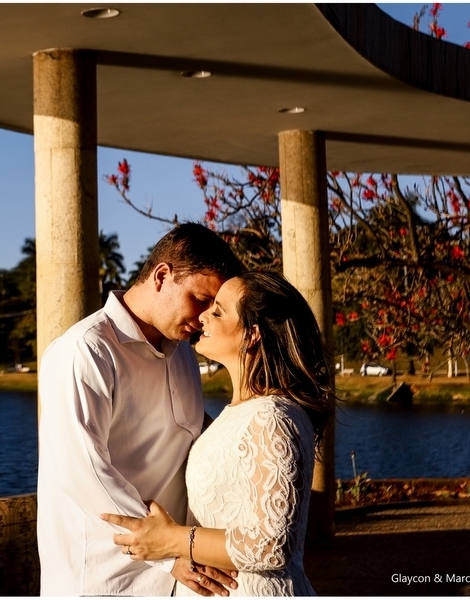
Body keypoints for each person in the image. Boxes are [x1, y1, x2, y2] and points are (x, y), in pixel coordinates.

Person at [37, 223, 243, 596]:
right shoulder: (85, 351)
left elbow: (195, 436)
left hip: (177, 571)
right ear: (162, 275)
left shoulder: (182, 353)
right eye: (199, 299)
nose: (202, 320)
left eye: (213, 309)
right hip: (104, 578)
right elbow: (84, 470)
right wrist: (167, 552)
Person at [101, 271, 335, 596]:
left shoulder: (273, 417)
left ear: (252, 335)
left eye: (218, 310)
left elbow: (272, 544)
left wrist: (171, 540)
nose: (203, 316)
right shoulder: (239, 413)